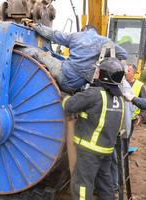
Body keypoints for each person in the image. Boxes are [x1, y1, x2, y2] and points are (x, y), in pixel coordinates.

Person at [62, 57, 125, 200]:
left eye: (98, 71)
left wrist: (64, 96)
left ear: (104, 75)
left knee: (83, 184)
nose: (95, 72)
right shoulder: (119, 98)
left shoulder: (95, 94)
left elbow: (69, 105)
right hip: (107, 149)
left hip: (90, 150)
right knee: (105, 183)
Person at [19, 23, 127, 93]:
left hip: (64, 76)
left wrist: (35, 26)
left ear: (84, 29)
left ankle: (14, 52)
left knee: (37, 52)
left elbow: (53, 35)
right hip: (79, 84)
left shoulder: (76, 36)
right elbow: (123, 54)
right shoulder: (104, 41)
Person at [126, 63, 146, 138]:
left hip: (131, 119)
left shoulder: (140, 86)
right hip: (119, 117)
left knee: (126, 139)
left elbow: (145, 104)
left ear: (134, 73)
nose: (125, 72)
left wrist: (141, 116)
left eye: (128, 71)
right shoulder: (120, 83)